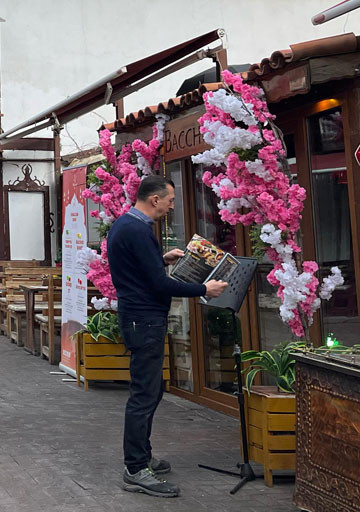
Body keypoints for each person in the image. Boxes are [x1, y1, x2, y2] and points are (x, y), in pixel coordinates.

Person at [109, 175, 228, 498]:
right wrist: (206, 288)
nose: (172, 205)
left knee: (150, 390)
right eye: (170, 200)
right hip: (144, 319)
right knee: (144, 394)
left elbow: (134, 271)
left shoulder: (125, 225)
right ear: (154, 199)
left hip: (138, 318)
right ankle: (135, 468)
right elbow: (160, 285)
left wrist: (161, 260)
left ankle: (142, 456)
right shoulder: (137, 229)